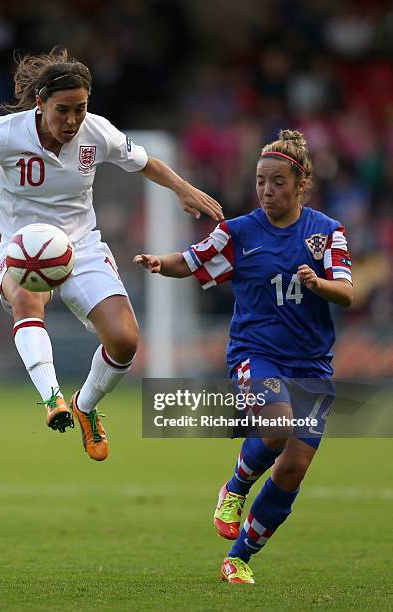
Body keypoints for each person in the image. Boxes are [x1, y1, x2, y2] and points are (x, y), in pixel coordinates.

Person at [0, 47, 223, 462]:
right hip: (21, 249)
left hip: (80, 248)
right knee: (25, 298)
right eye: (62, 110)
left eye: (80, 109)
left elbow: (144, 162)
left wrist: (182, 188)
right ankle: (52, 398)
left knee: (124, 340)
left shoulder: (96, 132)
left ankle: (84, 406)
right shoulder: (5, 133)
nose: (72, 120)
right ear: (40, 103)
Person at [134, 129, 353, 584]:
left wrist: (319, 284)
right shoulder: (238, 232)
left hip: (311, 363)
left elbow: (347, 293)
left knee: (293, 467)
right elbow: (192, 261)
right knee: (275, 426)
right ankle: (234, 487)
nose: (267, 191)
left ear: (300, 184)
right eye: (260, 181)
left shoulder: (327, 233)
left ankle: (239, 558)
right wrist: (161, 263)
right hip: (256, 353)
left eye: (277, 182)